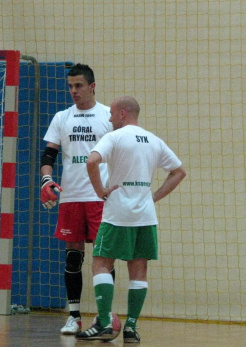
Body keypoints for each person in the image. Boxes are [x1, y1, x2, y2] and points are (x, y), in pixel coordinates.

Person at [76, 96, 186, 343]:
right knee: (139, 269)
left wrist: (99, 191)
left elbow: (92, 161)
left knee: (101, 262)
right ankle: (131, 328)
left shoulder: (114, 137)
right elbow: (179, 172)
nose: (110, 118)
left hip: (117, 213)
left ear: (123, 113)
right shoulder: (154, 140)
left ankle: (104, 322)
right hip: (145, 215)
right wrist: (153, 196)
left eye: (113, 114)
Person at [39, 63, 114, 335]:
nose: (73, 91)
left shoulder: (108, 115)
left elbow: (119, 154)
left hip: (100, 197)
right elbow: (48, 155)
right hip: (71, 196)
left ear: (92, 86)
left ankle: (104, 317)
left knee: (104, 258)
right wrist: (46, 180)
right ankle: (74, 317)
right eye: (70, 86)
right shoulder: (62, 117)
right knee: (72, 258)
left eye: (79, 85)